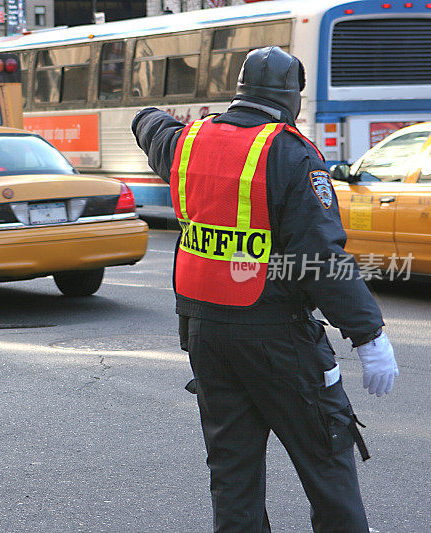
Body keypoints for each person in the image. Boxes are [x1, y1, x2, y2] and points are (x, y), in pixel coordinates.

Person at [132, 46, 398, 532]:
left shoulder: (188, 143)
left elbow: (150, 126)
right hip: (277, 338)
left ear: (240, 91)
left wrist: (149, 115)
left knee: (233, 474)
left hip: (206, 337)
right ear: (292, 98)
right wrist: (369, 334)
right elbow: (321, 258)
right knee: (327, 457)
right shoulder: (291, 153)